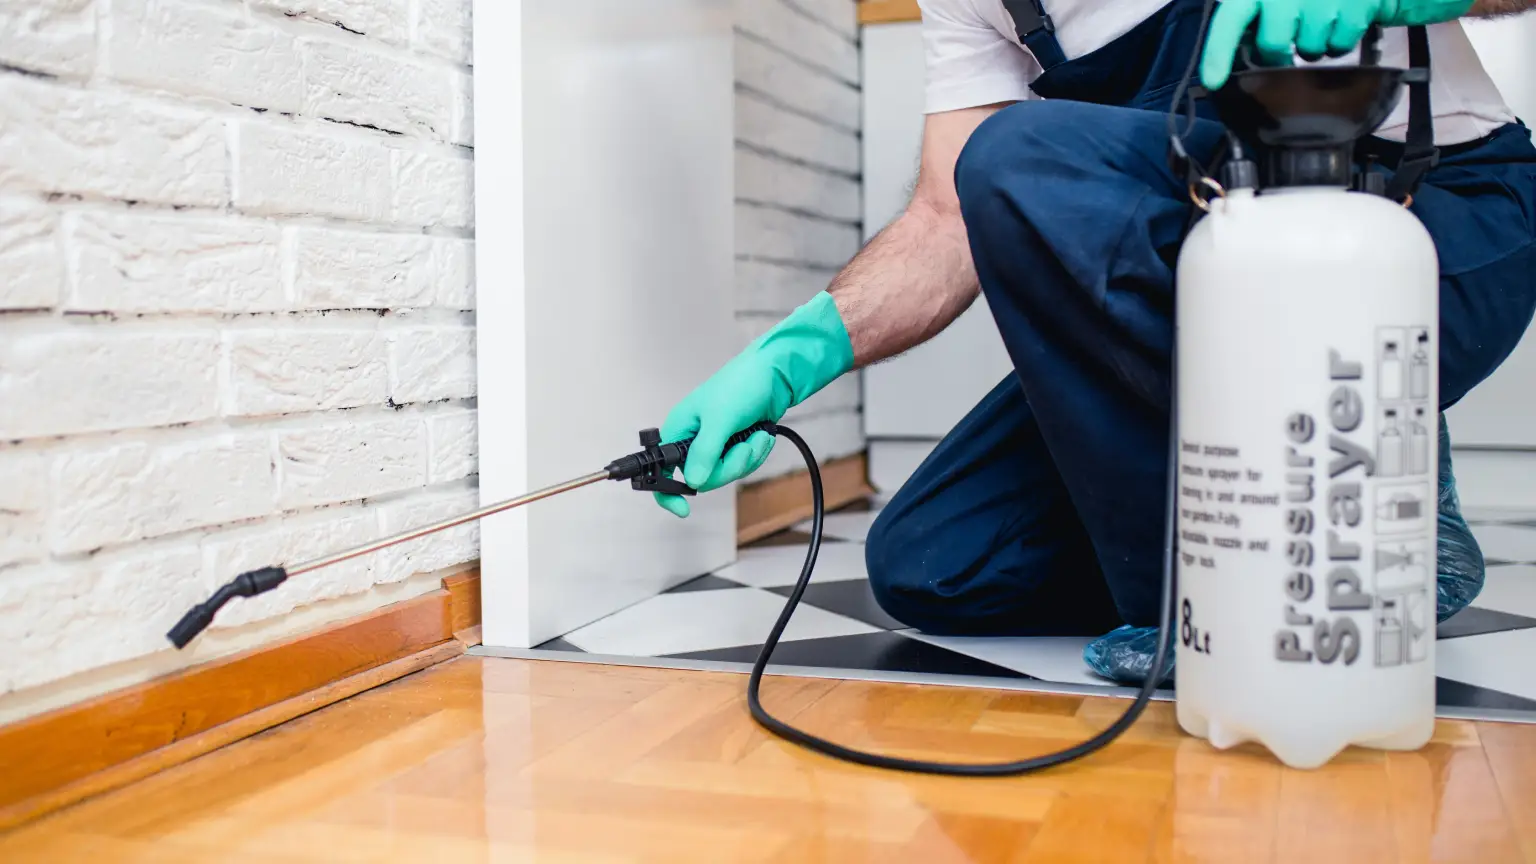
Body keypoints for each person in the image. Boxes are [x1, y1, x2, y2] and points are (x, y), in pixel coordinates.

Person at [654, 0, 1536, 683]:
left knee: (1019, 152)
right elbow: (943, 220)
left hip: (1426, 237)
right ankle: (1371, 535)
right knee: (936, 563)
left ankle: (1230, 601)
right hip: (1216, 276)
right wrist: (785, 364)